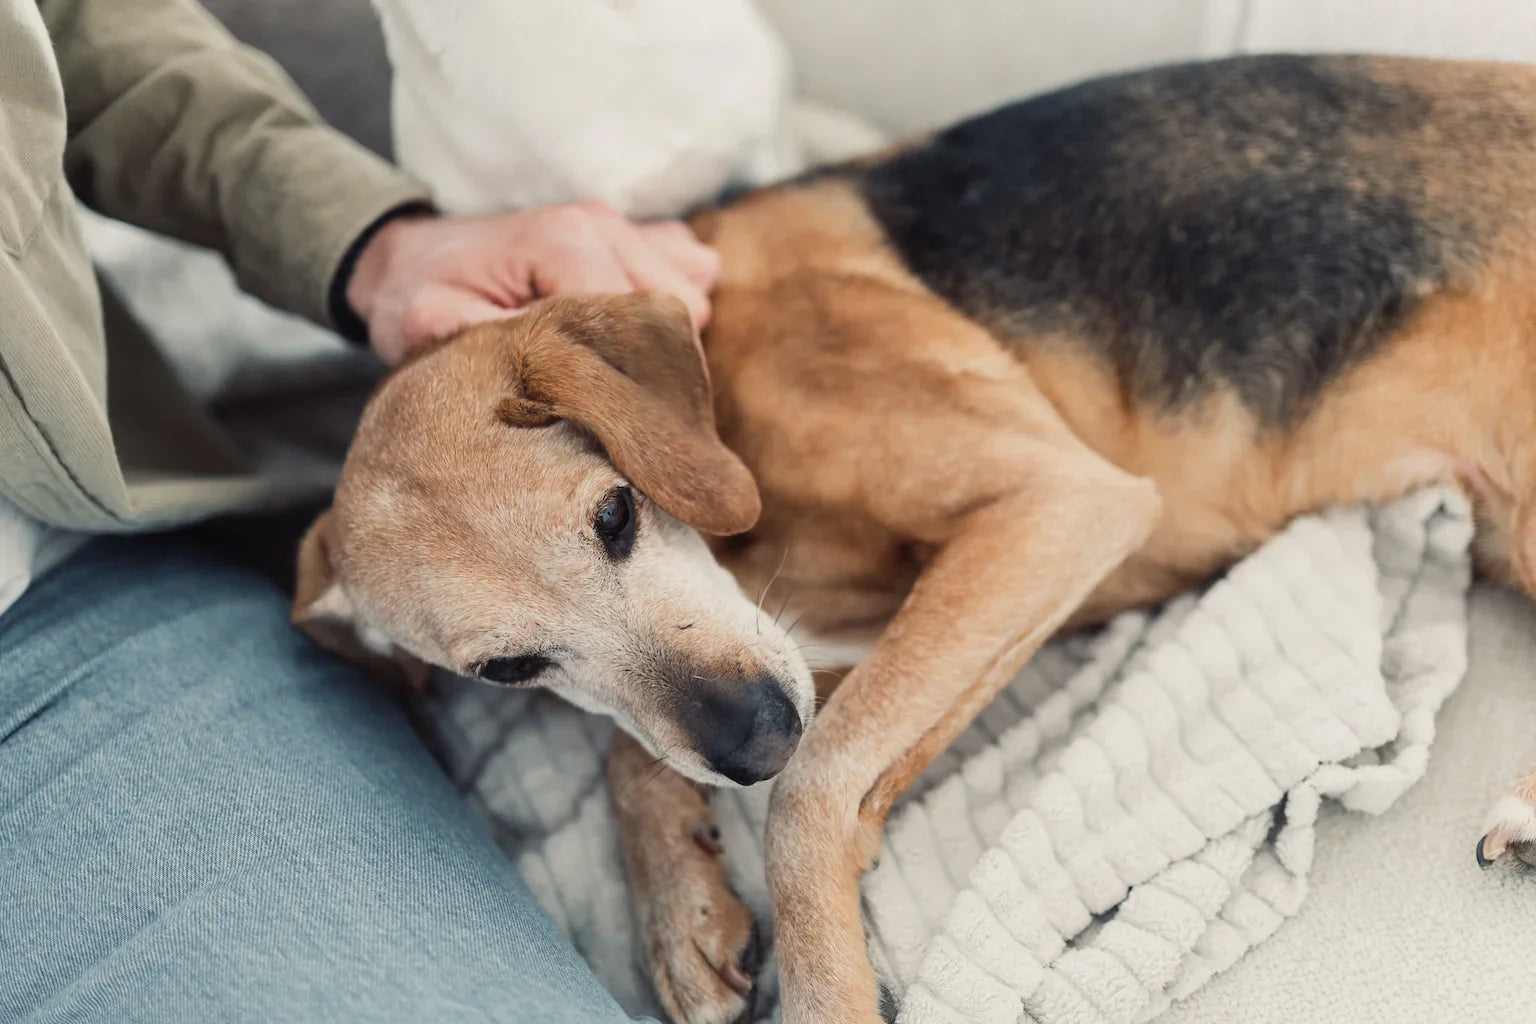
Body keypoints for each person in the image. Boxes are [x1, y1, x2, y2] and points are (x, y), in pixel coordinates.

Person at [0, 1, 719, 1020]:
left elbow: (72, 27)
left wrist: (373, 244)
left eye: (611, 520)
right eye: (509, 661)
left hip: (59, 617)